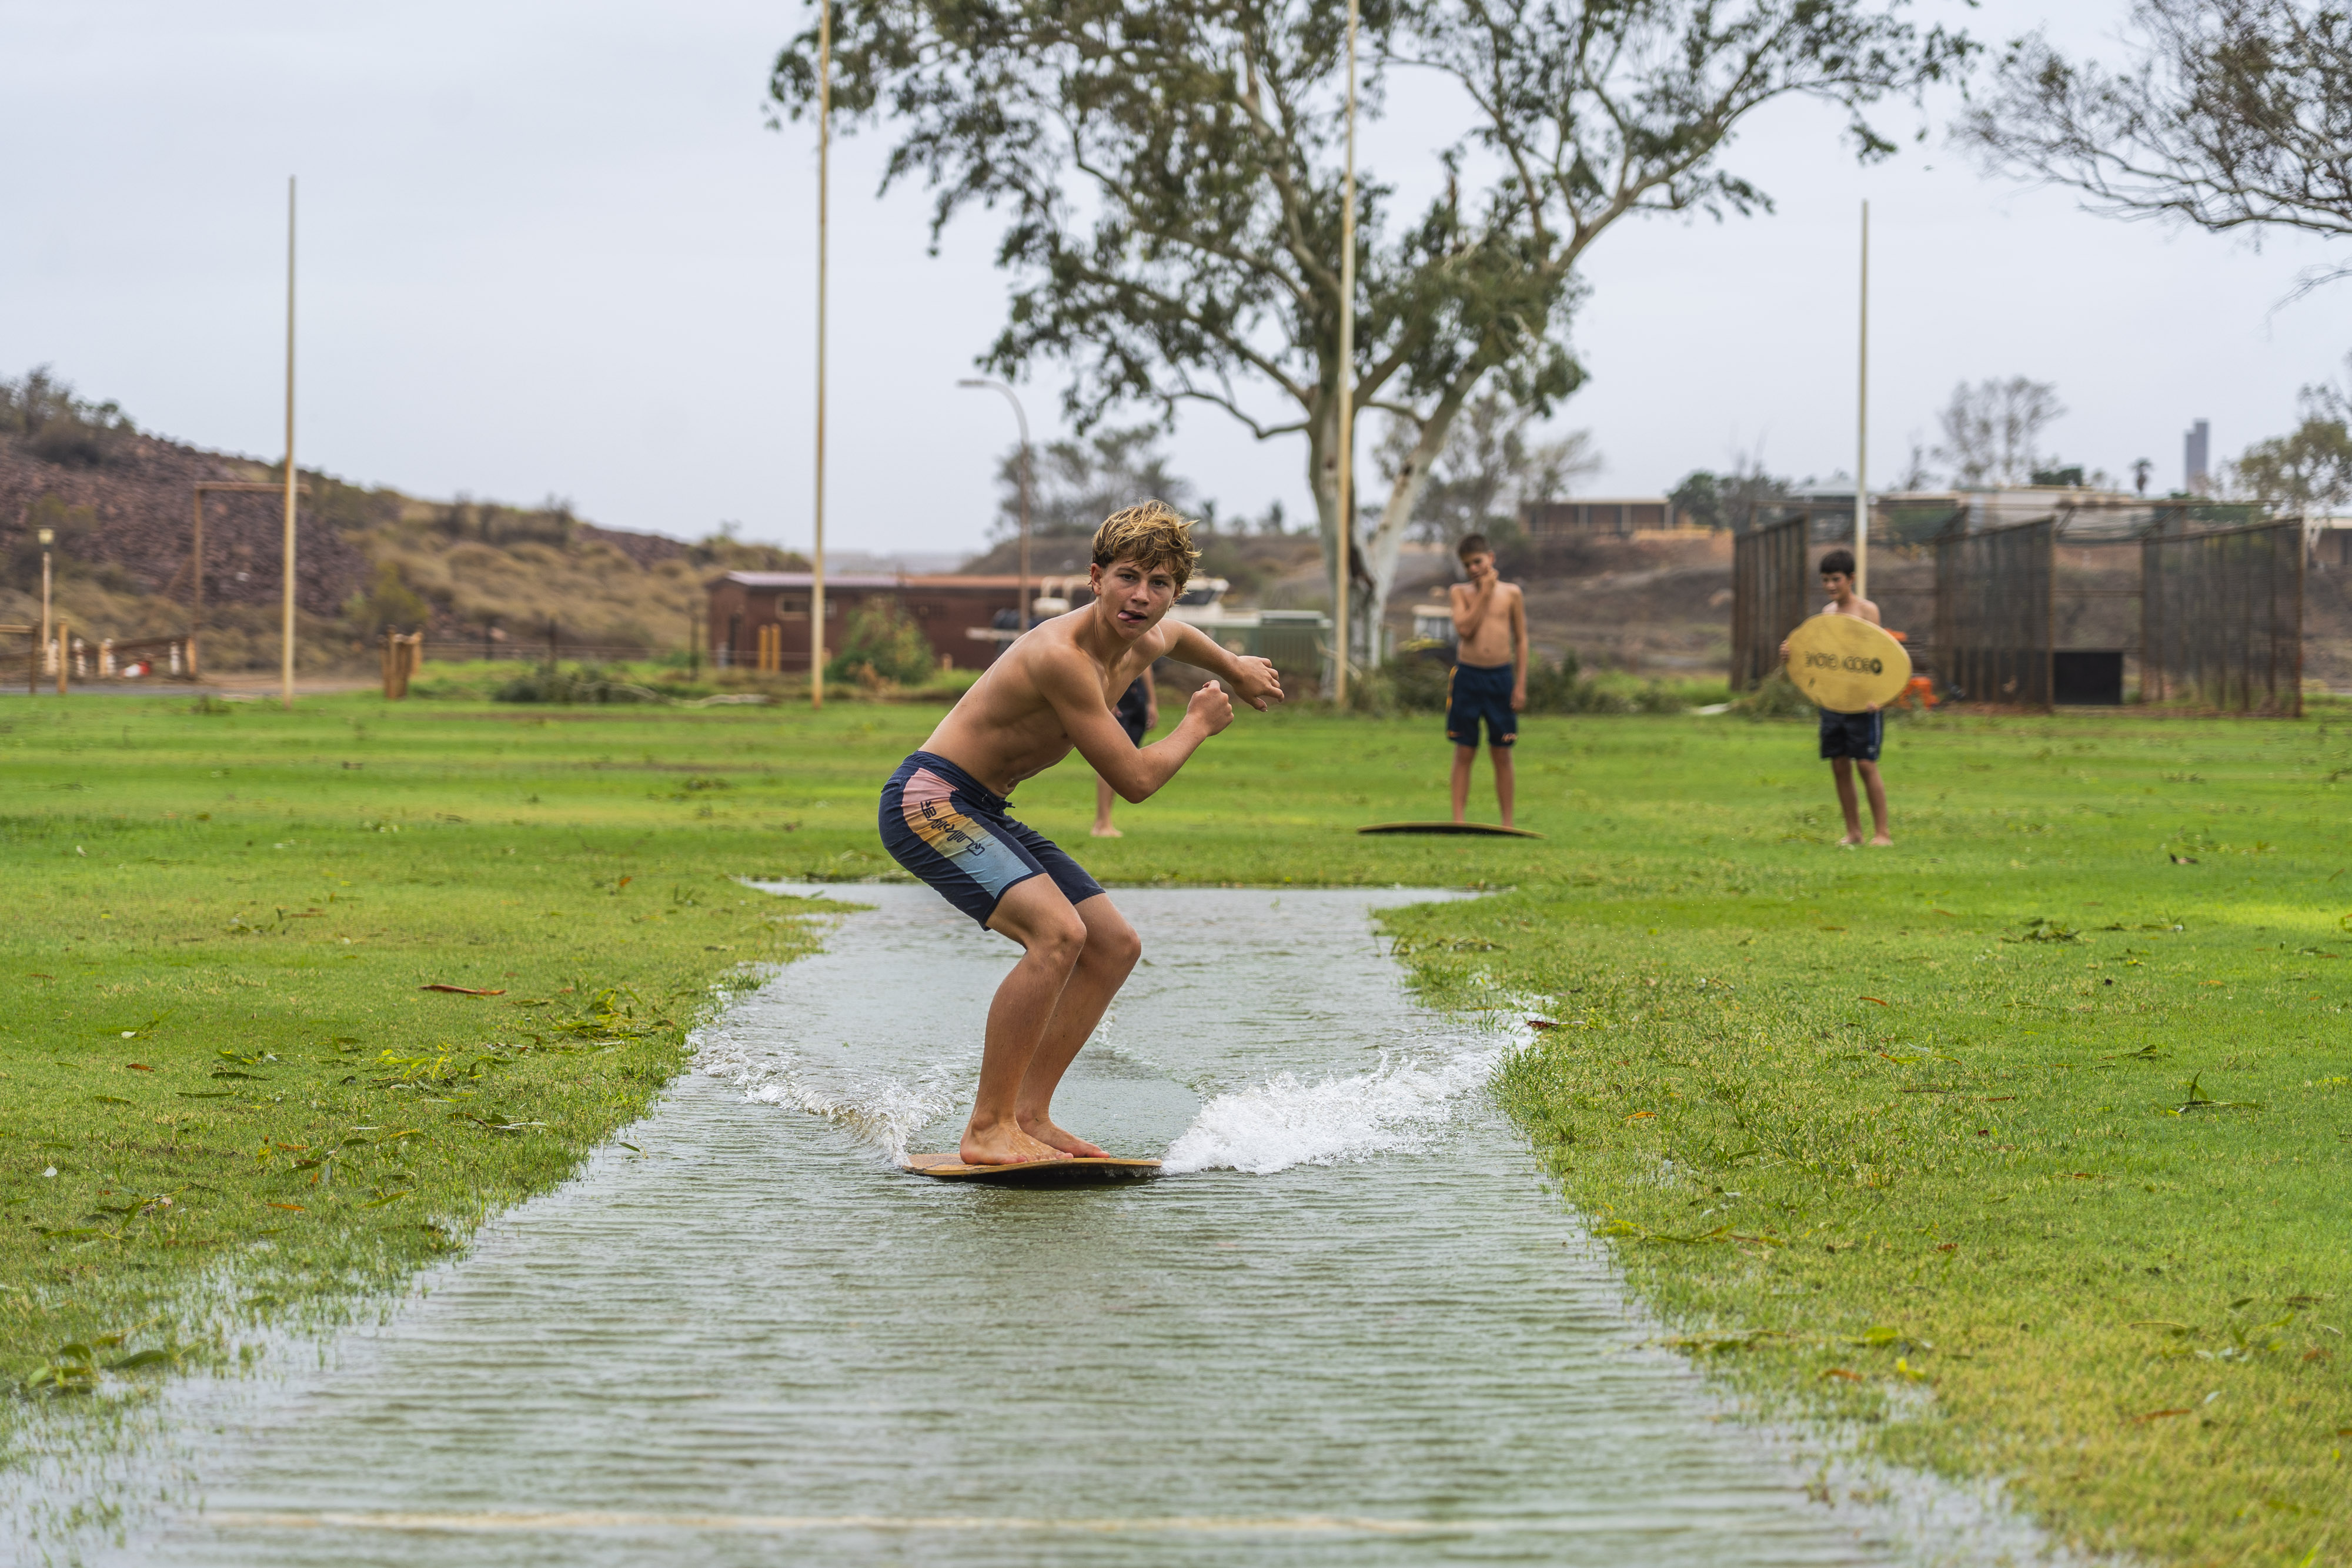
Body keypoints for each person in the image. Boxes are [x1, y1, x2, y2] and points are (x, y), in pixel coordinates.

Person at [877, 502, 1284, 1165]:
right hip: (930, 801)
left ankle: (1029, 1117)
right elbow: (1135, 781)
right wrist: (1197, 724)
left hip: (983, 806)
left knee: (1113, 944)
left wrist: (1235, 665)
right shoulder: (1060, 657)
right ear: (1095, 578)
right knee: (1058, 934)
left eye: (1159, 586)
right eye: (1127, 577)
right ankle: (986, 1127)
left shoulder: (1150, 635)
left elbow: (1182, 639)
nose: (1141, 598)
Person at [1780, 547, 1892, 847]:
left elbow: (1879, 658)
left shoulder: (1868, 611)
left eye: (1836, 580)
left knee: (1866, 764)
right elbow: (1820, 657)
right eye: (1825, 580)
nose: (1830, 586)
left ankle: (1882, 833)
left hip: (1864, 703)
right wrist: (1791, 653)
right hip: (1833, 701)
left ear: (1851, 579)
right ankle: (1854, 832)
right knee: (1839, 764)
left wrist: (1878, 697)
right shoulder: (1826, 615)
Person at [1446, 532, 1528, 828]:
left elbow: (1521, 640)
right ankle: (1459, 821)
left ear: (1491, 559)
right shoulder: (1459, 593)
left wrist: (1520, 685)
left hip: (1500, 678)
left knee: (1502, 751)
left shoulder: (1512, 594)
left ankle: (1507, 823)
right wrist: (1483, 592)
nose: (1473, 569)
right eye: (1467, 565)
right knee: (1465, 749)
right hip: (1468, 676)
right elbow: (1465, 629)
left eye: (1478, 562)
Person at [1091, 674, 1158, 838]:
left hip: (1137, 692)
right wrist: (1106, 695)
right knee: (1110, 759)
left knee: (1126, 760)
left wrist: (1151, 702)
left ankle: (1107, 821)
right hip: (1118, 691)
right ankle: (1102, 822)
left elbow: (1147, 665)